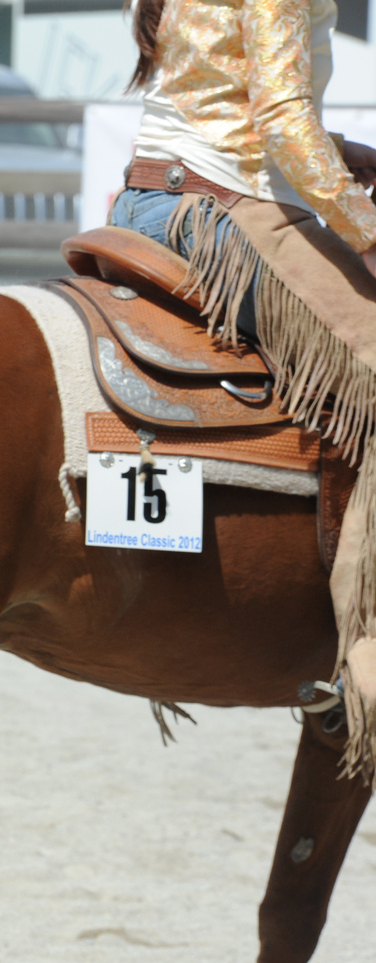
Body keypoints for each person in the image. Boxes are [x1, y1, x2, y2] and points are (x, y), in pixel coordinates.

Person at [109, 0, 376, 777]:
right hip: (224, 212)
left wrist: (344, 153)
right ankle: (363, 656)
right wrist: (366, 232)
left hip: (148, 198)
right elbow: (282, 121)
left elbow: (225, 98)